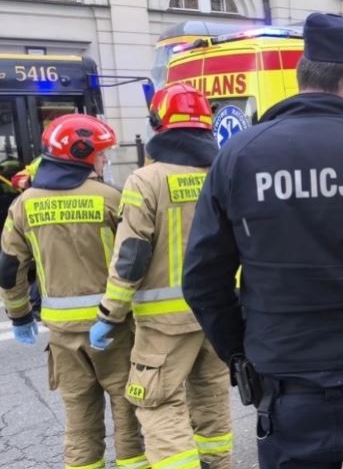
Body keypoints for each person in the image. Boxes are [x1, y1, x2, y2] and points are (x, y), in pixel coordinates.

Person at [181, 12, 343, 469]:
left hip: (285, 387)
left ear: (303, 73)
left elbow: (202, 281)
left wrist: (242, 351)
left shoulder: (238, 156)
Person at [89, 83, 233, 469]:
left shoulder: (145, 181)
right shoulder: (225, 171)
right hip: (218, 316)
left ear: (159, 124)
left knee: (158, 404)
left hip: (163, 325)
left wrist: (109, 314)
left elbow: (131, 257)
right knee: (211, 402)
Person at [0, 114, 147, 469]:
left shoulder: (23, 204)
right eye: (100, 153)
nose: (105, 159)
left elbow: (8, 268)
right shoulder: (111, 198)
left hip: (63, 335)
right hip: (113, 327)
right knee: (127, 411)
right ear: (80, 154)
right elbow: (136, 258)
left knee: (79, 415)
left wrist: (19, 315)